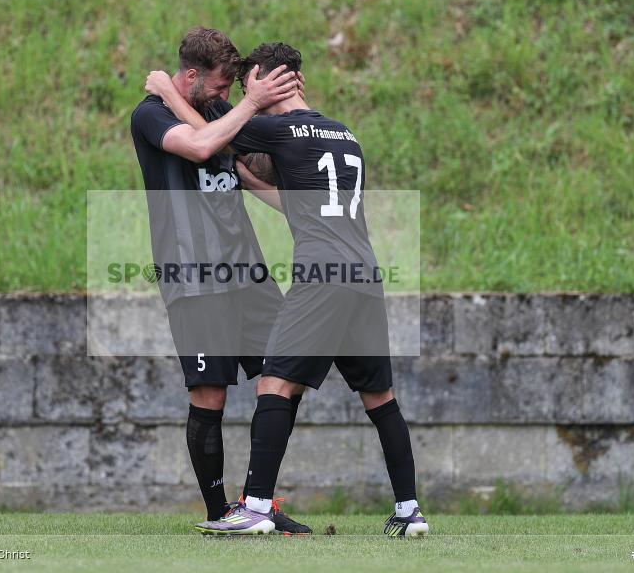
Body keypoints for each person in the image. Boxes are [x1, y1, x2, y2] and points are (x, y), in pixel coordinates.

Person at [147, 42, 428, 538]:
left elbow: (206, 140)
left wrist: (167, 91)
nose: (243, 98)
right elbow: (301, 203)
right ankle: (409, 512)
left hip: (322, 277)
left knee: (274, 383)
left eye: (247, 86)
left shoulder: (277, 129)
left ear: (265, 80)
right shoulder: (343, 134)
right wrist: (248, 180)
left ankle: (255, 506)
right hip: (365, 274)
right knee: (380, 398)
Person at [129, 28, 310, 535]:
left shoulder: (215, 109)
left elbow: (253, 165)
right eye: (220, 85)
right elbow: (200, 147)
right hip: (194, 274)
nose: (225, 95)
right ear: (191, 75)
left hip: (247, 270)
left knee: (288, 371)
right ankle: (218, 513)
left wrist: (281, 109)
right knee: (211, 395)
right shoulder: (150, 114)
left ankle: (256, 501)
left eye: (232, 88)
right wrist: (247, 104)